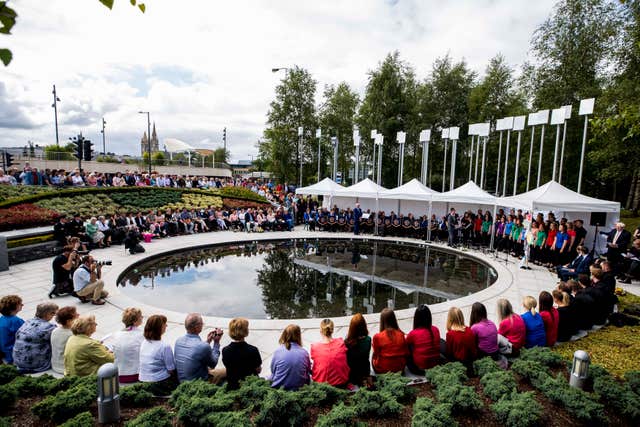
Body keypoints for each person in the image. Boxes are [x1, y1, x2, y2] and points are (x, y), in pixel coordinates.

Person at [174, 313, 223, 382]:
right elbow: (213, 364)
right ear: (197, 327)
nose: (203, 325)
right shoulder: (203, 346)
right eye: (202, 323)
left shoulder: (178, 341)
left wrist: (208, 341)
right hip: (197, 384)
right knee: (225, 371)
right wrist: (216, 343)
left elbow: (195, 352)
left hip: (182, 381)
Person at [13, 302, 58, 373]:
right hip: (35, 365)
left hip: (18, 362)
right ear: (49, 314)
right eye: (54, 314)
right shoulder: (49, 327)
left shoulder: (27, 322)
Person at [139, 315, 177, 395]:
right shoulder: (164, 346)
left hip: (143, 381)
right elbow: (171, 370)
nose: (166, 325)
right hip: (158, 383)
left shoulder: (144, 342)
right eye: (164, 324)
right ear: (159, 328)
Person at [222, 317, 262, 390]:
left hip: (233, 387)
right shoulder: (253, 350)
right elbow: (258, 370)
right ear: (246, 331)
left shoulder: (225, 350)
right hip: (251, 387)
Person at [270, 324, 311, 391]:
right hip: (299, 388)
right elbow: (308, 370)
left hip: (279, 388)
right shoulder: (304, 353)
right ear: (298, 336)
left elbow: (273, 370)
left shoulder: (278, 351)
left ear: (284, 335)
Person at [310, 318, 350, 387]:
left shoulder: (315, 347)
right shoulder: (341, 342)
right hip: (342, 382)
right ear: (332, 330)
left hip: (321, 384)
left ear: (321, 331)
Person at [110, 308, 145, 383]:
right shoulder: (141, 335)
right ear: (135, 321)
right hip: (136, 375)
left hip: (118, 374)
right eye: (141, 316)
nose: (142, 317)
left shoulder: (116, 334)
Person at [406, 305, 441, 375]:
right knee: (441, 341)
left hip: (419, 369)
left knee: (407, 346)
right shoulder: (436, 329)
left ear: (416, 319)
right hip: (435, 366)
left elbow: (405, 345)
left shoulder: (413, 333)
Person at [372, 308, 407, 374]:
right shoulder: (401, 335)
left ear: (382, 321)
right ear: (394, 319)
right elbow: (406, 352)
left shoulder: (377, 336)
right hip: (400, 368)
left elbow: (376, 354)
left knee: (373, 355)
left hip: (383, 369)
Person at [50, 306, 78, 375]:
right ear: (68, 321)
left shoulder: (55, 330)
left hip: (55, 364)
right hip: (65, 367)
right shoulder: (72, 334)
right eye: (76, 315)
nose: (78, 315)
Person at [0, 295, 24, 364]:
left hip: (5, 352)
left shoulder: (2, 318)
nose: (22, 305)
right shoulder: (15, 321)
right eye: (20, 304)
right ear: (13, 308)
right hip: (13, 354)